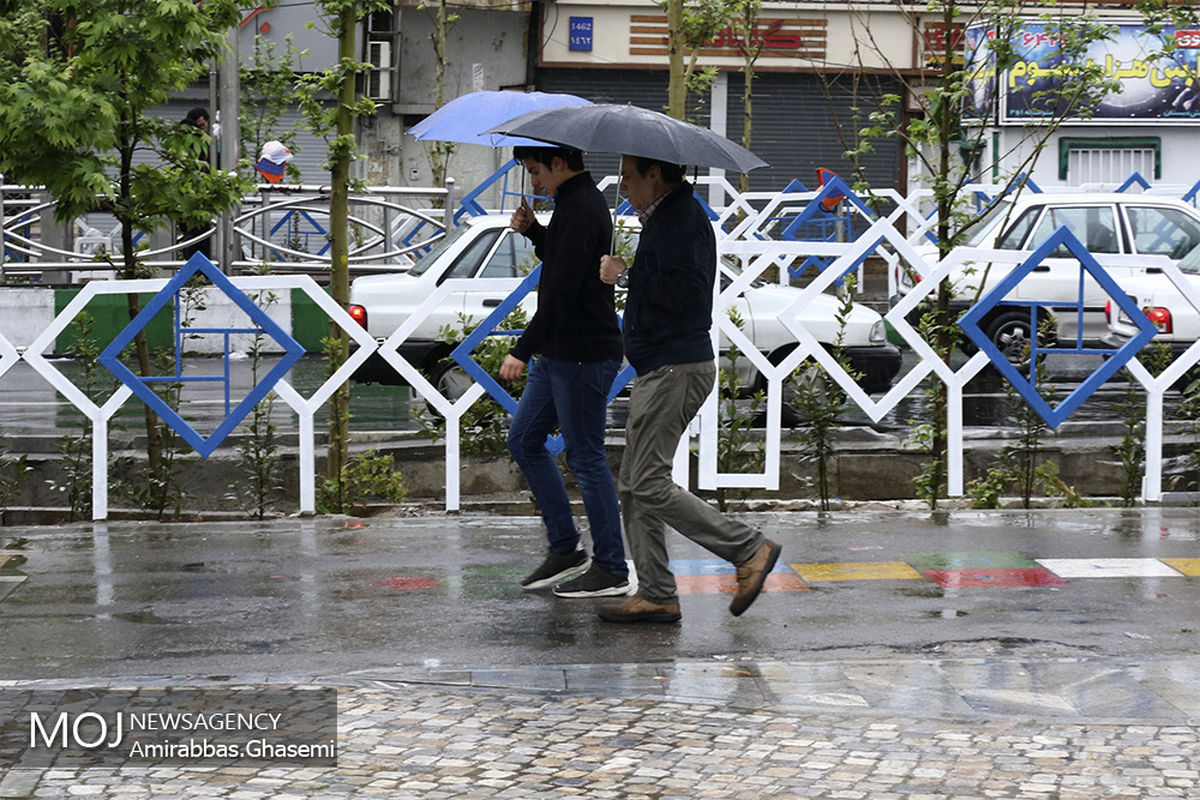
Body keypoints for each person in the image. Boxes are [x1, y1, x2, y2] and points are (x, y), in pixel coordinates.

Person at [595, 155, 781, 624]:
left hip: (675, 368)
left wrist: (626, 275)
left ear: (655, 175)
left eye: (630, 176)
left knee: (648, 482)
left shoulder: (681, 219)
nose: (624, 186)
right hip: (661, 366)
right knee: (634, 486)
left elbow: (689, 295)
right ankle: (657, 592)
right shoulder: (666, 217)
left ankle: (748, 548)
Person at [501, 145, 630, 598]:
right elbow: (563, 262)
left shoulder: (582, 207)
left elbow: (561, 292)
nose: (534, 181)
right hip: (561, 351)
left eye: (536, 170)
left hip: (582, 353)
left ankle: (611, 566)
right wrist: (536, 232)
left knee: (585, 456)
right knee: (524, 440)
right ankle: (565, 548)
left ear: (559, 163)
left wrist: (522, 349)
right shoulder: (571, 204)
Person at [177, 107, 213, 260]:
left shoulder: (209, 145)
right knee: (198, 238)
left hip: (200, 197)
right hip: (193, 198)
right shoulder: (193, 144)